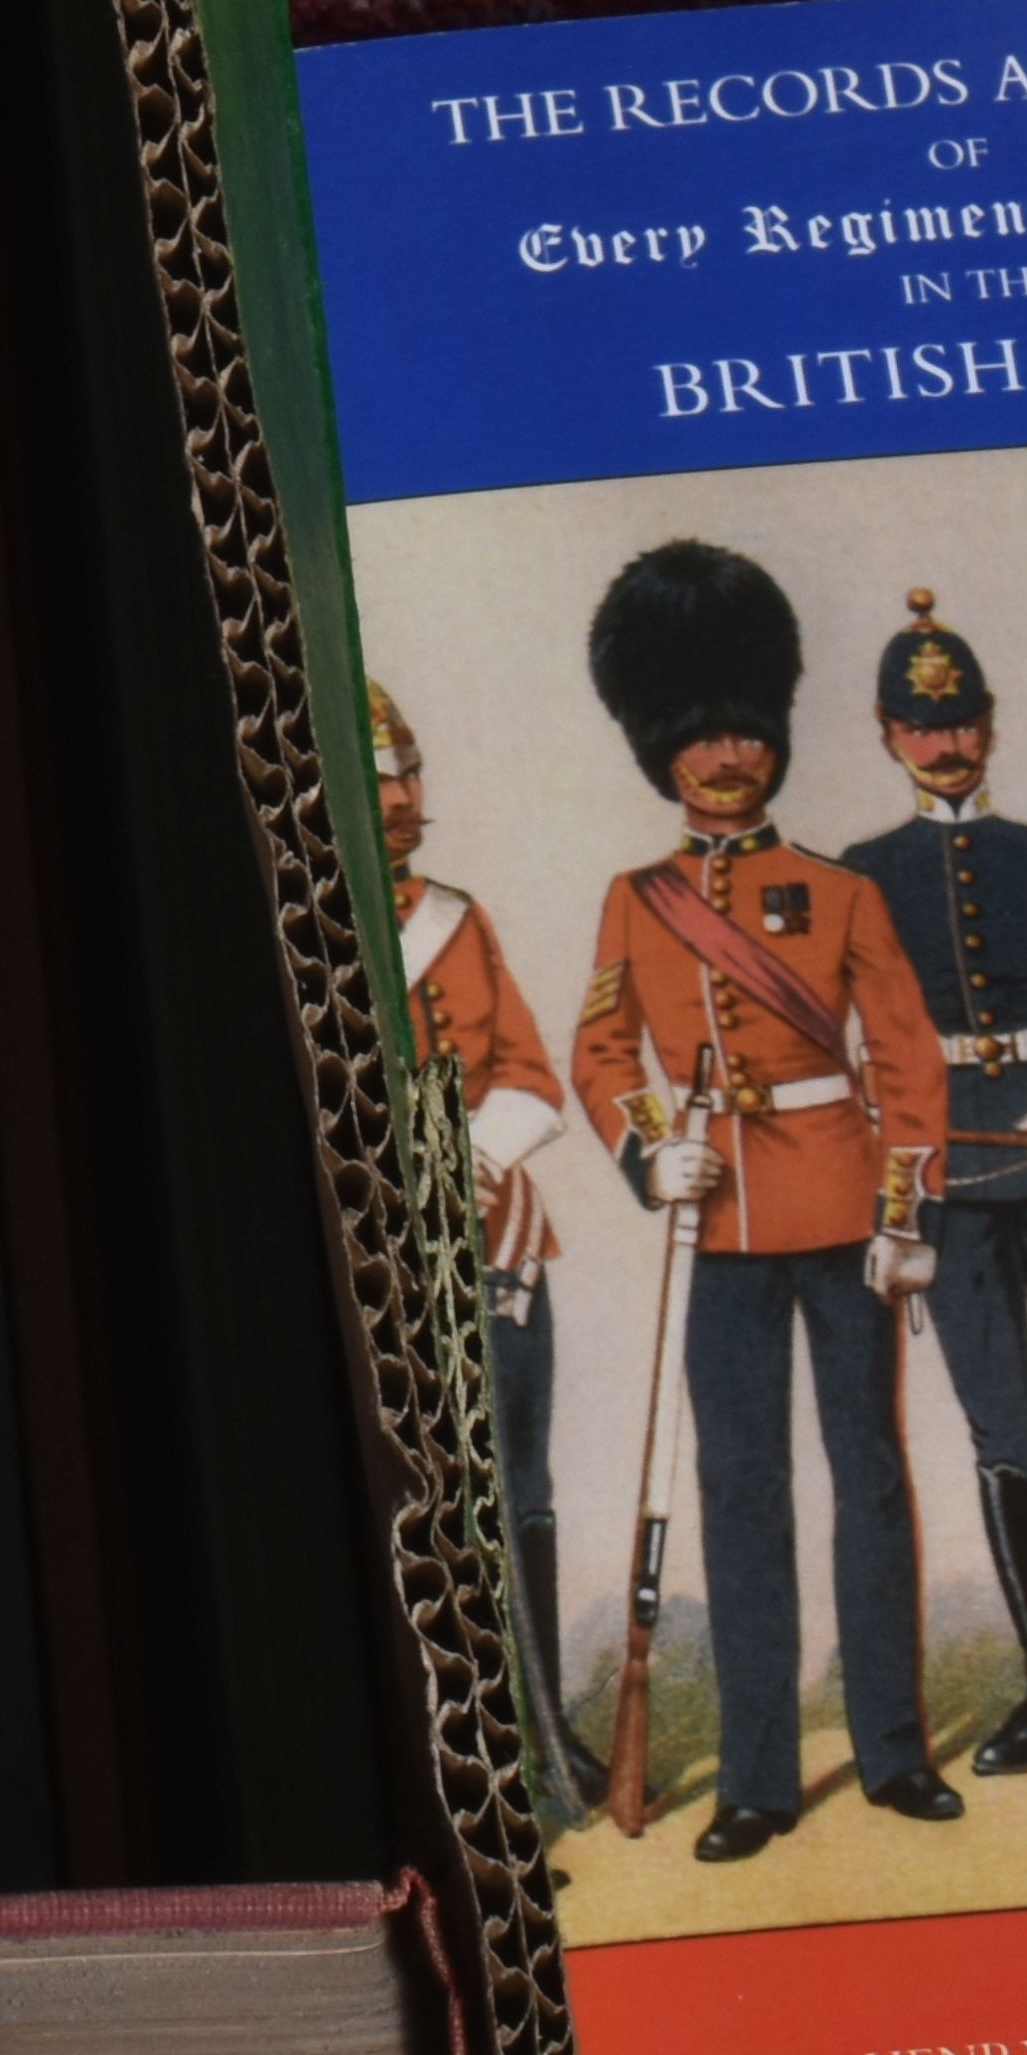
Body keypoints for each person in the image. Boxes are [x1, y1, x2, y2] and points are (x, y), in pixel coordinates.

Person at [568, 540, 956, 1863]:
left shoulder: (844, 892)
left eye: (746, 733)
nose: (730, 759)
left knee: (872, 1479)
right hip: (717, 1225)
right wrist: (641, 1150)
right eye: (702, 740)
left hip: (846, 1209)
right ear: (662, 752)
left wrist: (907, 1214)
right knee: (741, 1491)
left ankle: (895, 1752)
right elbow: (602, 1051)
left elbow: (904, 1057)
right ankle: (755, 1780)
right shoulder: (637, 905)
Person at [840, 591, 1027, 1774]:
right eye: (923, 724)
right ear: (888, 733)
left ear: (991, 725)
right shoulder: (863, 877)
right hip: (947, 1179)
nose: (946, 741)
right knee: (1004, 1435)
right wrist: (892, 1192)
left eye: (961, 718)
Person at [377, 682, 595, 1804]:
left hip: (492, 1237)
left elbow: (529, 1075)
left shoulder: (456, 917)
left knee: (522, 1486)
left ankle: (547, 1731)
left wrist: (461, 1155)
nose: (405, 797)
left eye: (411, 771)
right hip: (382, 1260)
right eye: (380, 776)